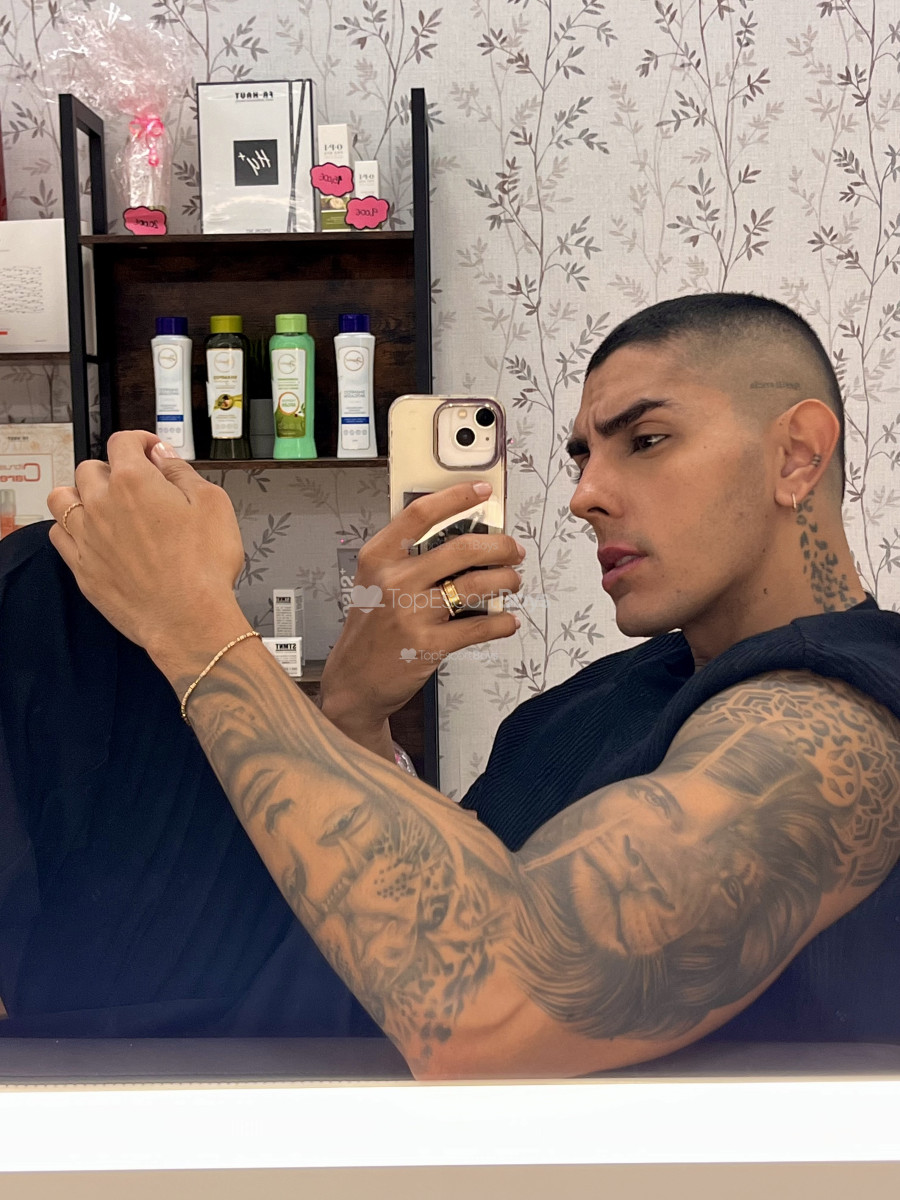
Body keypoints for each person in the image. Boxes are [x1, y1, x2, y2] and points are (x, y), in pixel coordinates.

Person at [3, 292, 900, 1077]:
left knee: (48, 590)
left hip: (327, 1070)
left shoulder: (842, 720)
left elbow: (498, 998)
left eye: (647, 441)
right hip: (310, 988)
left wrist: (194, 624)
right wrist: (355, 714)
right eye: (584, 456)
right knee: (60, 577)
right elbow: (437, 890)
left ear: (796, 455)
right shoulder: (616, 690)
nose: (585, 495)